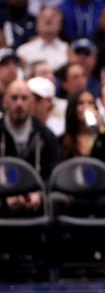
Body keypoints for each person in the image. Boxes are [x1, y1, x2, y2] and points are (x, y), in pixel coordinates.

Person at [0, 80, 61, 216]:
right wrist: (5, 196)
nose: (19, 103)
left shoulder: (45, 135)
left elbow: (54, 173)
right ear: (5, 101)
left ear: (32, 103)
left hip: (35, 202)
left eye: (24, 98)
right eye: (14, 98)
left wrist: (40, 194)